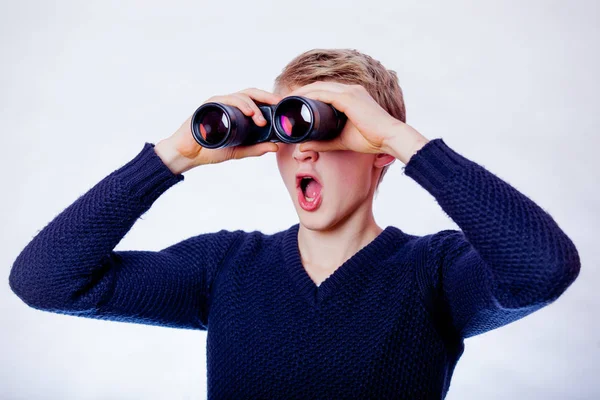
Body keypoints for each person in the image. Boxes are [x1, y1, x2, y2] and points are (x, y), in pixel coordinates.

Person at [9, 48, 581, 399]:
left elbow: (543, 269)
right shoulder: (225, 268)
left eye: (326, 131)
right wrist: (175, 154)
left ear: (377, 149)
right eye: (288, 131)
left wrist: (408, 143)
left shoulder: (434, 274)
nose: (302, 151)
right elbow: (47, 282)